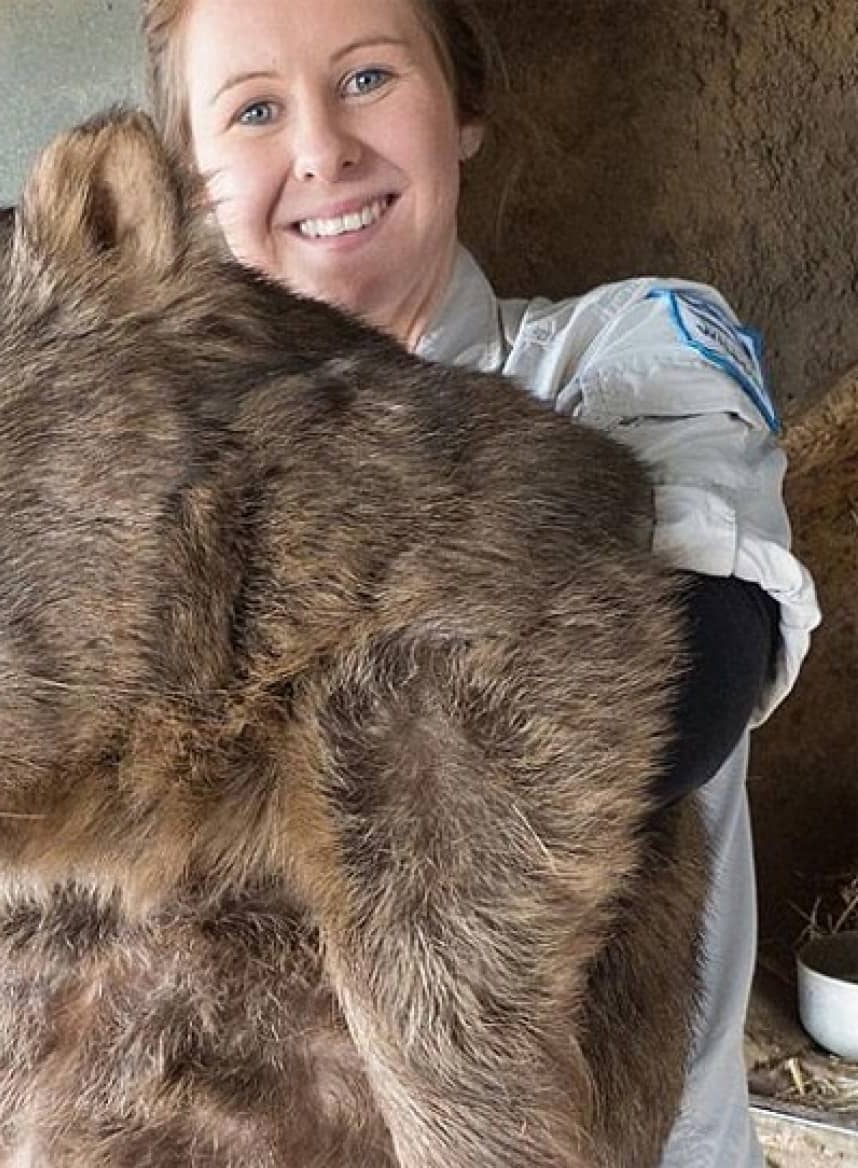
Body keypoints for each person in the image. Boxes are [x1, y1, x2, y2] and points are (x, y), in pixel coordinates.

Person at [139, 0, 821, 1164]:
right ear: (190, 181)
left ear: (462, 108)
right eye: (253, 109)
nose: (319, 150)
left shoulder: (626, 349)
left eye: (366, 79)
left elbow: (688, 677)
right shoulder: (156, 472)